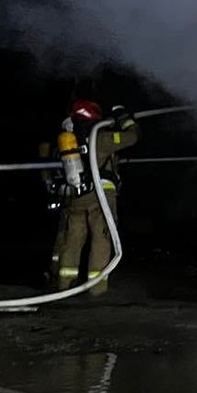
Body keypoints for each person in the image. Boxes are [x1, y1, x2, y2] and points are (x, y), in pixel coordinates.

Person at [49, 100, 139, 295]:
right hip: (100, 197)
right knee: (101, 240)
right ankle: (96, 289)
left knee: (72, 240)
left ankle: (64, 285)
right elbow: (132, 137)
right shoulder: (102, 137)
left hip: (75, 198)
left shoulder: (68, 141)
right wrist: (124, 119)